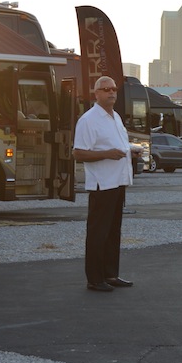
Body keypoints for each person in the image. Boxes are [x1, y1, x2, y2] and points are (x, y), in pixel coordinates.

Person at [73, 76, 137, 292]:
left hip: (118, 182)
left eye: (114, 89)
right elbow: (78, 152)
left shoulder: (115, 117)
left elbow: (118, 144)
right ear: (96, 93)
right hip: (102, 184)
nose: (111, 92)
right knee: (98, 232)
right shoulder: (89, 120)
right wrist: (107, 154)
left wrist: (130, 151)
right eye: (106, 89)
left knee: (113, 231)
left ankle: (111, 274)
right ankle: (94, 278)